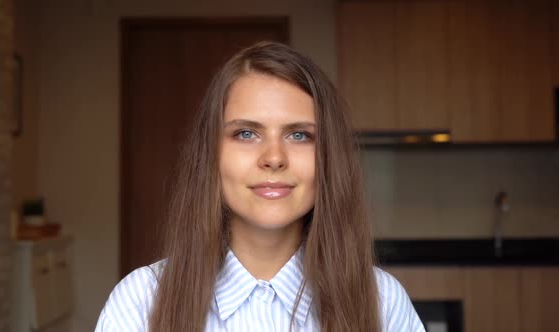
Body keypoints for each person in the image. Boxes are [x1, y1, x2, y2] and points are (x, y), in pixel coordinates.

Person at [95, 41, 424, 331]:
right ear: (212, 155)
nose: (274, 158)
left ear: (328, 158)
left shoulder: (382, 301)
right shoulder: (141, 301)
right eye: (246, 133)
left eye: (299, 135)